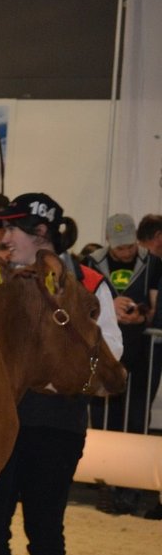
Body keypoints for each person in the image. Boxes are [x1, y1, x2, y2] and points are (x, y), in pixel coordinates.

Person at [0, 192, 123, 555]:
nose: (3, 237)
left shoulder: (89, 282)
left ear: (41, 234)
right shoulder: (0, 281)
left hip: (57, 423)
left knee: (44, 530)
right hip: (3, 419)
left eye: (11, 229)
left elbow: (111, 349)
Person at [88, 213, 160, 515]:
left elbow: (156, 304)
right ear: (108, 242)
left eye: (129, 246)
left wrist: (141, 314)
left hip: (144, 354)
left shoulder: (154, 264)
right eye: (119, 248)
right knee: (107, 419)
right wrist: (108, 309)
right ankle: (106, 486)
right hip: (105, 354)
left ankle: (129, 490)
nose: (125, 253)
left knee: (136, 420)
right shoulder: (91, 263)